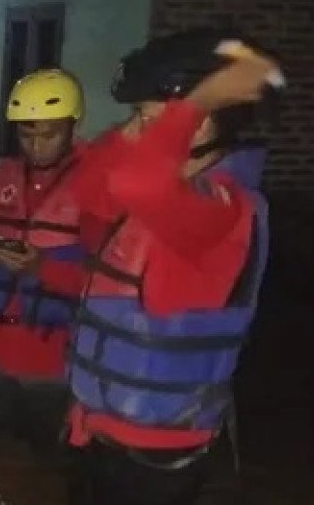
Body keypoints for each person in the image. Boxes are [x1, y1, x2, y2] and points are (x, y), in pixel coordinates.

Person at [64, 30, 279, 505]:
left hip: (156, 455)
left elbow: (139, 184)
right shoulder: (170, 194)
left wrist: (198, 101)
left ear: (198, 127)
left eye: (146, 119)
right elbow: (89, 190)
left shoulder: (222, 208)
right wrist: (141, 127)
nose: (137, 132)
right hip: (102, 429)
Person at [0, 68, 88, 454]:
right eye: (27, 134)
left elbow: (109, 282)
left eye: (50, 134)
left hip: (55, 361)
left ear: (74, 125)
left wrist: (41, 267)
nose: (37, 145)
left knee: (46, 472)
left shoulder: (98, 188)